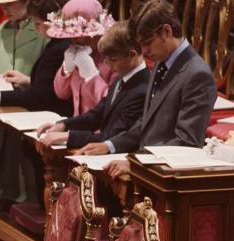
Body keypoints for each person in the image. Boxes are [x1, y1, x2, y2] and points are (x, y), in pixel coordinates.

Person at [73, 0, 217, 178]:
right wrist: (110, 145)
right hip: (147, 173)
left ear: (166, 31)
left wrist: (136, 163)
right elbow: (147, 122)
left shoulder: (197, 75)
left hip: (167, 182)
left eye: (148, 42)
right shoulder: (161, 61)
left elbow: (186, 142)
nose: (144, 50)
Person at [36, 21, 149, 149]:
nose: (107, 64)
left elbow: (115, 135)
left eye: (112, 59)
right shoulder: (122, 76)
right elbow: (97, 114)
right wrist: (63, 125)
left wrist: (69, 136)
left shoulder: (142, 89)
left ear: (132, 55)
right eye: (105, 59)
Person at [0, 0, 72, 116]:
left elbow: (45, 87)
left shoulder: (45, 31)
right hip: (6, 107)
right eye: (2, 4)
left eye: (9, 4)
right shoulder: (5, 27)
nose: (4, 9)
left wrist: (27, 81)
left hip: (32, 110)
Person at [49, 0, 116, 117]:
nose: (75, 40)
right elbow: (61, 93)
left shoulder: (113, 59)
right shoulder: (78, 53)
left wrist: (92, 76)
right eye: (72, 36)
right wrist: (66, 68)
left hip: (101, 132)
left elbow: (112, 105)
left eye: (82, 35)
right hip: (78, 128)